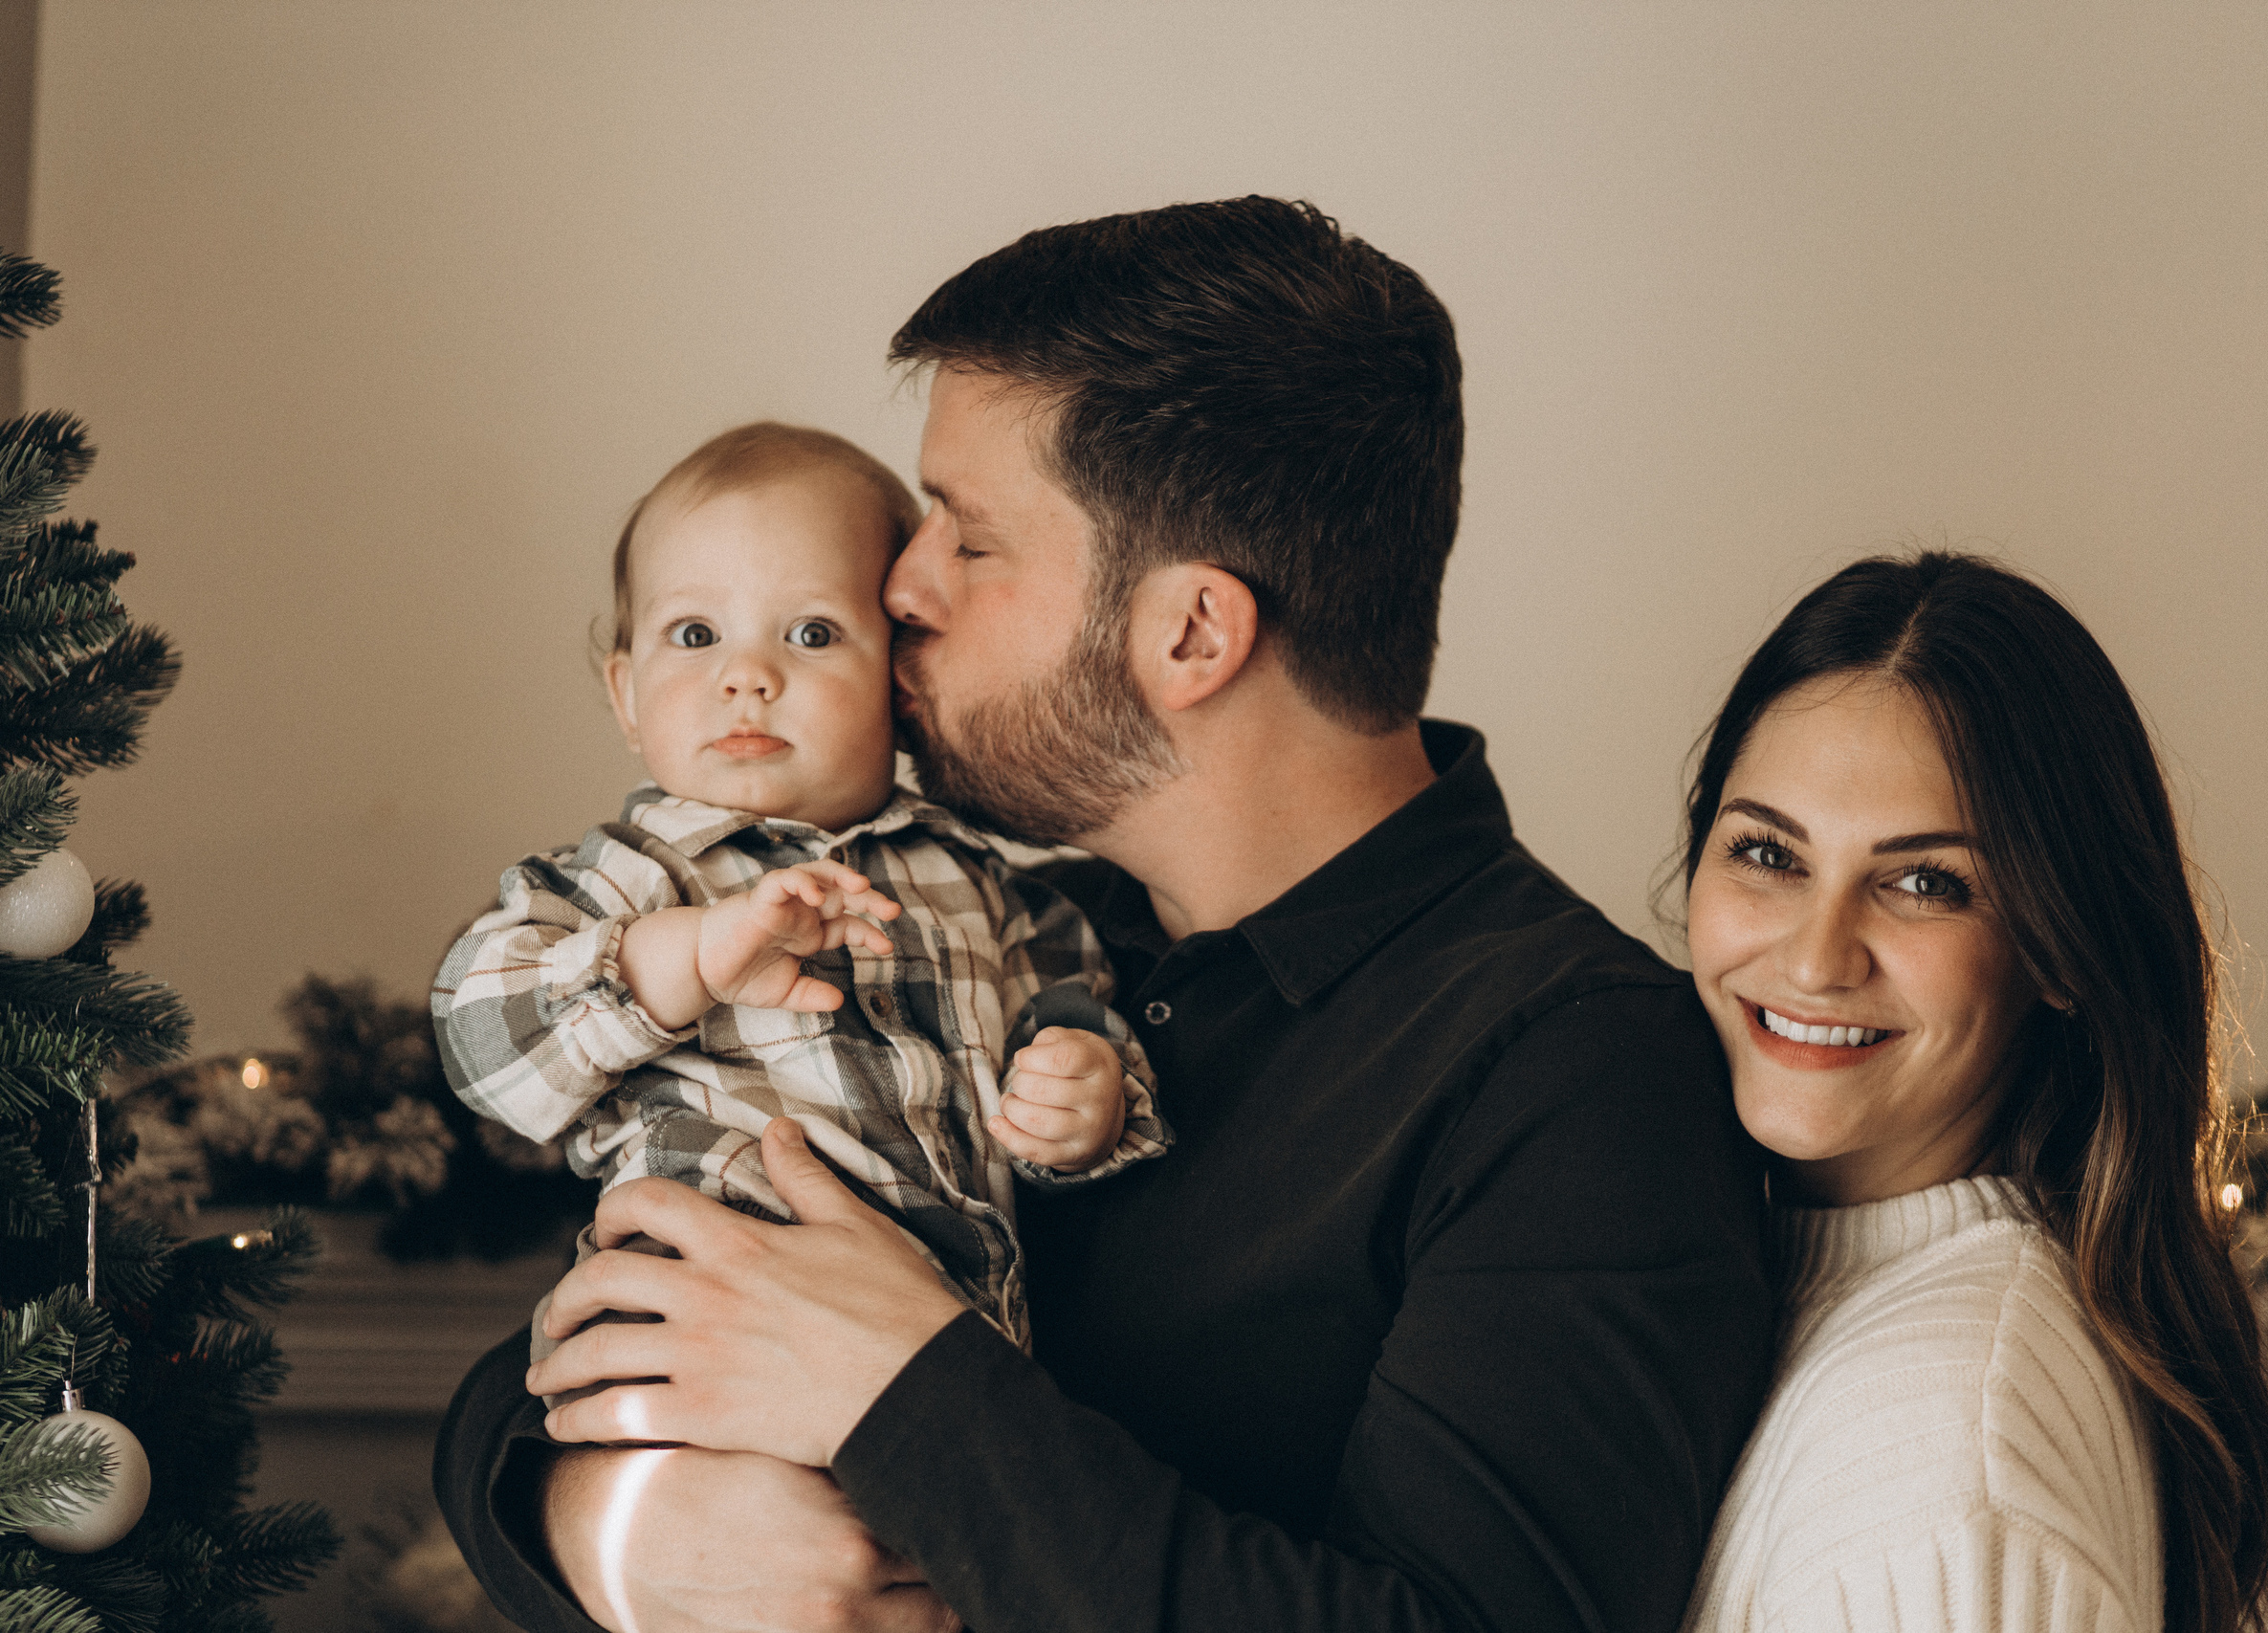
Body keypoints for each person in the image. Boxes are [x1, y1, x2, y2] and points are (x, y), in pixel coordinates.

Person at [434, 197, 1777, 1633]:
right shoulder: (999, 930)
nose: (898, 587)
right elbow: (536, 1367)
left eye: (968, 538)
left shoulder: (1577, 1075)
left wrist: (907, 1390)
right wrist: (613, 1522)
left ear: (1190, 631)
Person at [431, 421, 1172, 1386]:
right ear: (626, 694)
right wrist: (687, 957)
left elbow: (1070, 1015)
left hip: (950, 1358)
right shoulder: (629, 876)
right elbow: (481, 1043)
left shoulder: (989, 886)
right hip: (695, 1336)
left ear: (901, 683)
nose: (747, 676)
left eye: (812, 634)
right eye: (694, 635)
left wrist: (1083, 1097)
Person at [1673, 552, 2268, 1632]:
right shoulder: (1825, 1317)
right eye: (1768, 853)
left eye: (1925, 882)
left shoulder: (1945, 1454)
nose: (1816, 957)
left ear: (2058, 950)